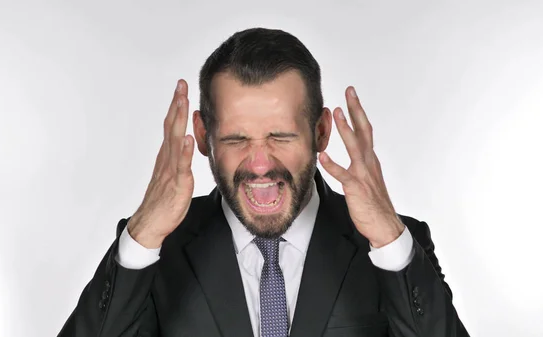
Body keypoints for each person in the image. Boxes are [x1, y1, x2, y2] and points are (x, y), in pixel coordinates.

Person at [58, 27, 469, 337]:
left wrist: (390, 241)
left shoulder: (392, 247)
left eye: (281, 136)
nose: (259, 164)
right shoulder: (156, 251)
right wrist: (142, 234)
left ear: (321, 132)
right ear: (203, 137)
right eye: (236, 139)